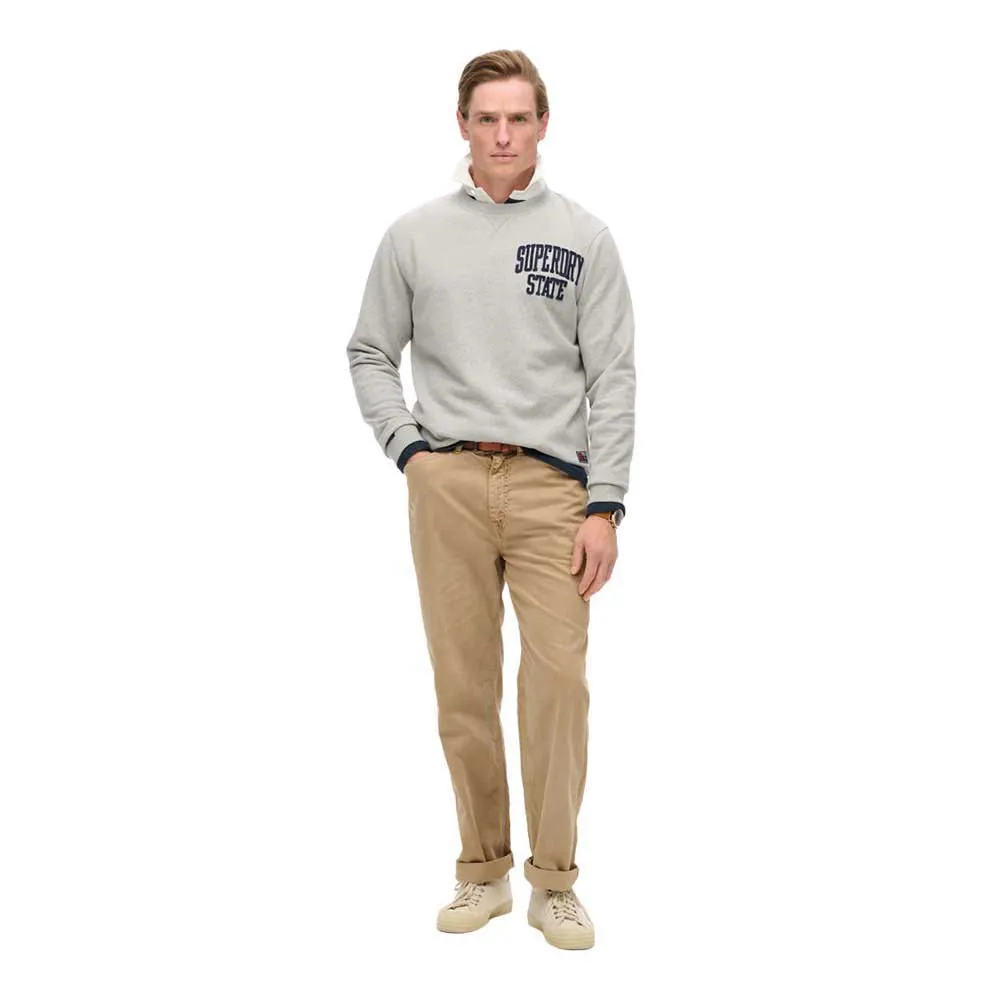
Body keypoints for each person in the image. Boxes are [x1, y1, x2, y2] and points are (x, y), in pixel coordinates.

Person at [346, 48, 636, 951]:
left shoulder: (585, 236)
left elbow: (613, 376)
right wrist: (411, 452)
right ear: (463, 125)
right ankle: (483, 871)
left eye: (518, 117)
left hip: (555, 489)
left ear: (543, 123)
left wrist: (607, 505)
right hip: (449, 484)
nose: (503, 135)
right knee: (462, 685)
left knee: (558, 684)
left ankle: (555, 882)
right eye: (487, 118)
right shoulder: (414, 236)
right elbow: (369, 350)